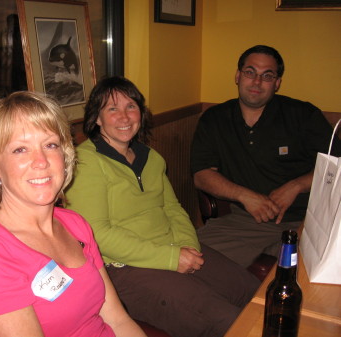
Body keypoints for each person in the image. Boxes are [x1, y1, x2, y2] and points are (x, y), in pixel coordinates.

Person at [65, 76, 260, 337]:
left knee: (254, 291)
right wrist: (170, 258)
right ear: (97, 118)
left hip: (171, 247)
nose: (124, 117)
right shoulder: (86, 163)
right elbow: (97, 233)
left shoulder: (151, 157)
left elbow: (172, 208)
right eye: (112, 109)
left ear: (141, 113)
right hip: (123, 268)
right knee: (226, 319)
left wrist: (187, 245)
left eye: (131, 107)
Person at [0, 91, 147, 337]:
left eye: (50, 145)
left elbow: (119, 321)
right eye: (20, 149)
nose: (41, 161)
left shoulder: (75, 225)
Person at [190, 45, 341, 268]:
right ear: (238, 76)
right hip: (246, 222)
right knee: (192, 260)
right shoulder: (214, 119)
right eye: (250, 72)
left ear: (277, 83)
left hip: (310, 221)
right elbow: (201, 175)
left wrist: (296, 186)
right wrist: (245, 196)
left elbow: (336, 165)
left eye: (267, 75)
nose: (257, 82)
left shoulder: (303, 115)